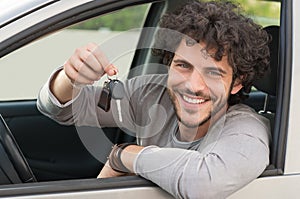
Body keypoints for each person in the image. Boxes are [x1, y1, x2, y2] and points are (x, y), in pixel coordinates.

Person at [37, 0, 271, 198]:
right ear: (168, 62)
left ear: (237, 82)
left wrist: (122, 155)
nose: (193, 86)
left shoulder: (246, 129)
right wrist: (70, 77)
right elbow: (60, 109)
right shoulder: (150, 94)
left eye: (212, 73)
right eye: (183, 66)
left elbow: (203, 182)